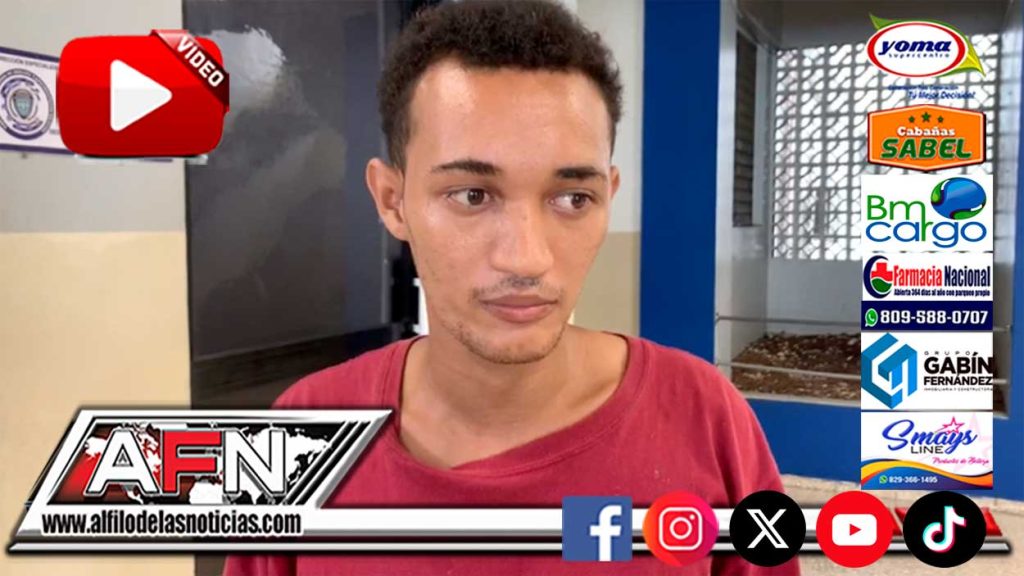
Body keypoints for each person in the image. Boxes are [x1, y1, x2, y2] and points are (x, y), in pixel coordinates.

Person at [224, 1, 798, 574]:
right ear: (393, 201)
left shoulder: (705, 419)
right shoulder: (304, 431)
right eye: (472, 195)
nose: (526, 257)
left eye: (573, 198)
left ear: (608, 197)